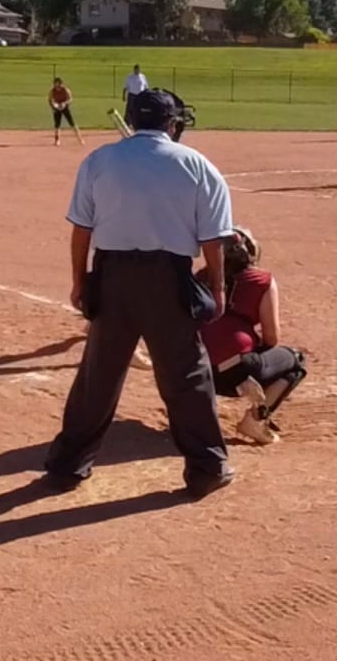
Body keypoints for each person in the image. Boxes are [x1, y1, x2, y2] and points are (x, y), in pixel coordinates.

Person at [44, 89, 237, 499]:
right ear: (172, 123)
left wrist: (80, 282)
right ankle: (206, 468)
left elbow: (82, 231)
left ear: (131, 120)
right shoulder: (198, 165)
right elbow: (213, 240)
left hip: (112, 276)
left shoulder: (99, 161)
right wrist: (218, 288)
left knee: (99, 375)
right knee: (186, 375)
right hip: (169, 279)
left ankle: (67, 466)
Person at [200, 226, 307, 445]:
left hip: (194, 369)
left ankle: (191, 413)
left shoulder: (201, 277)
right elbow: (271, 338)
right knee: (296, 361)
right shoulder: (261, 281)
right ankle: (256, 419)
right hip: (236, 369)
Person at [49, 77, 81, 147]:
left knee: (72, 123)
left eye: (58, 84)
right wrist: (53, 107)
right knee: (57, 125)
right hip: (57, 108)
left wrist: (65, 103)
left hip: (65, 107)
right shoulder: (52, 91)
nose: (57, 87)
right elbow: (50, 99)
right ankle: (57, 140)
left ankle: (79, 138)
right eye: (56, 85)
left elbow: (70, 99)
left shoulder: (66, 90)